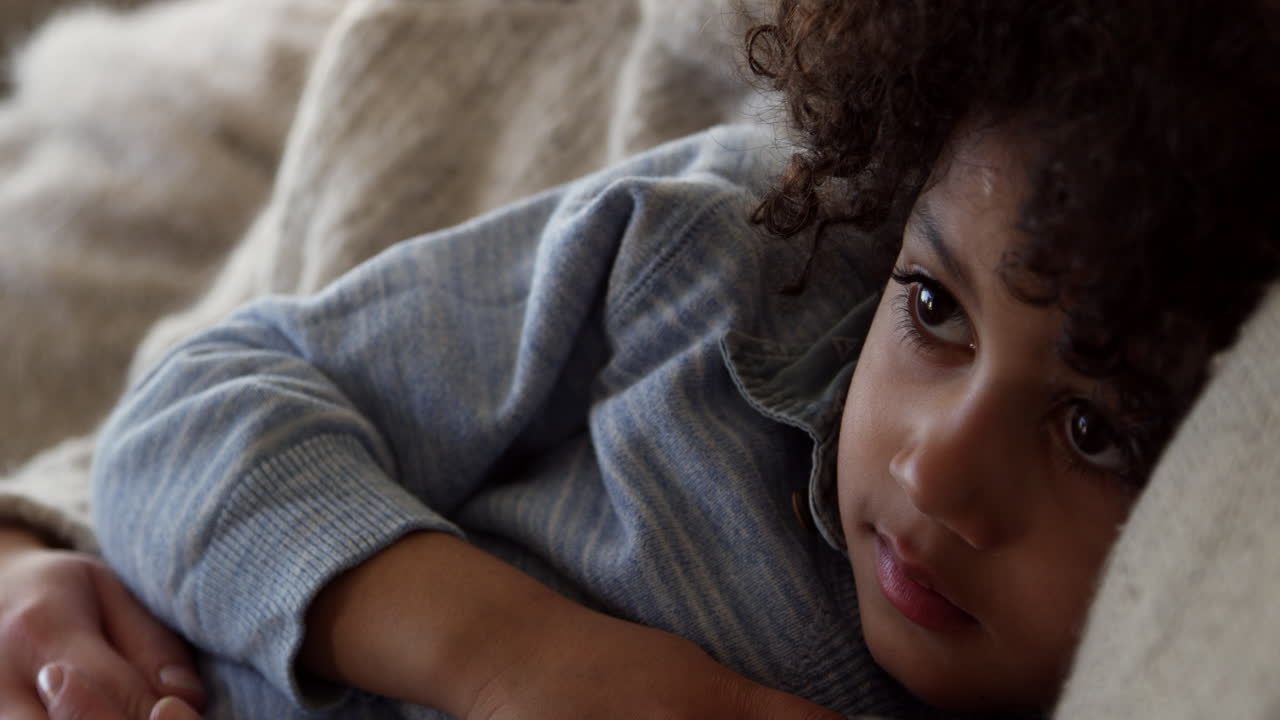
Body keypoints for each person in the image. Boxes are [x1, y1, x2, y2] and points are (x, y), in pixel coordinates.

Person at [84, 0, 1280, 719]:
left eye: (1092, 433)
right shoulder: (729, 260)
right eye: (932, 307)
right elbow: (184, 423)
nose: (937, 474)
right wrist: (515, 660)